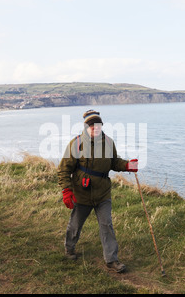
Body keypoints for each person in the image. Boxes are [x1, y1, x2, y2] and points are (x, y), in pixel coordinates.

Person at [58, 110, 138, 273]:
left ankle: (112, 260)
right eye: (92, 125)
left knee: (106, 224)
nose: (95, 128)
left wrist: (127, 165)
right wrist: (67, 190)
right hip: (82, 193)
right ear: (86, 126)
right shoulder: (76, 144)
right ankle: (69, 248)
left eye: (98, 124)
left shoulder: (108, 142)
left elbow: (114, 162)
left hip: (102, 193)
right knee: (76, 224)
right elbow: (64, 169)